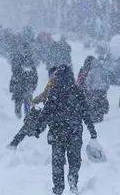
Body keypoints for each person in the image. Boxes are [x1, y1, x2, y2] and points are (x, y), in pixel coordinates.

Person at [35, 65, 97, 195]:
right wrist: (92, 131)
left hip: (57, 132)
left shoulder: (54, 91)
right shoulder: (77, 91)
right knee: (74, 159)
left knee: (57, 161)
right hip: (74, 131)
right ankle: (73, 178)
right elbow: (86, 113)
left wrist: (39, 127)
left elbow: (46, 111)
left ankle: (58, 187)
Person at [8, 67, 57, 149]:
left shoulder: (61, 85)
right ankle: (15, 142)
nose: (52, 77)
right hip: (47, 109)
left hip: (54, 112)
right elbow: (44, 95)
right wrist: (35, 101)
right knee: (30, 120)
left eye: (54, 75)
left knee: (54, 130)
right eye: (51, 75)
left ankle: (35, 131)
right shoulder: (50, 83)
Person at [9, 41, 38, 118]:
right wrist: (34, 84)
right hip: (25, 83)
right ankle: (24, 114)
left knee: (21, 100)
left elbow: (14, 71)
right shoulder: (27, 59)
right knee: (24, 99)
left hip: (22, 83)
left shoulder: (20, 58)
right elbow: (34, 73)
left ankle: (24, 114)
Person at [77, 56, 110, 123]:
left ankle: (92, 117)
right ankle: (100, 115)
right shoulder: (101, 69)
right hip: (100, 91)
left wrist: (82, 88)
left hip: (89, 91)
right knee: (99, 103)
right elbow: (107, 80)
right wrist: (105, 88)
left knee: (91, 104)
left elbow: (80, 80)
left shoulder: (84, 69)